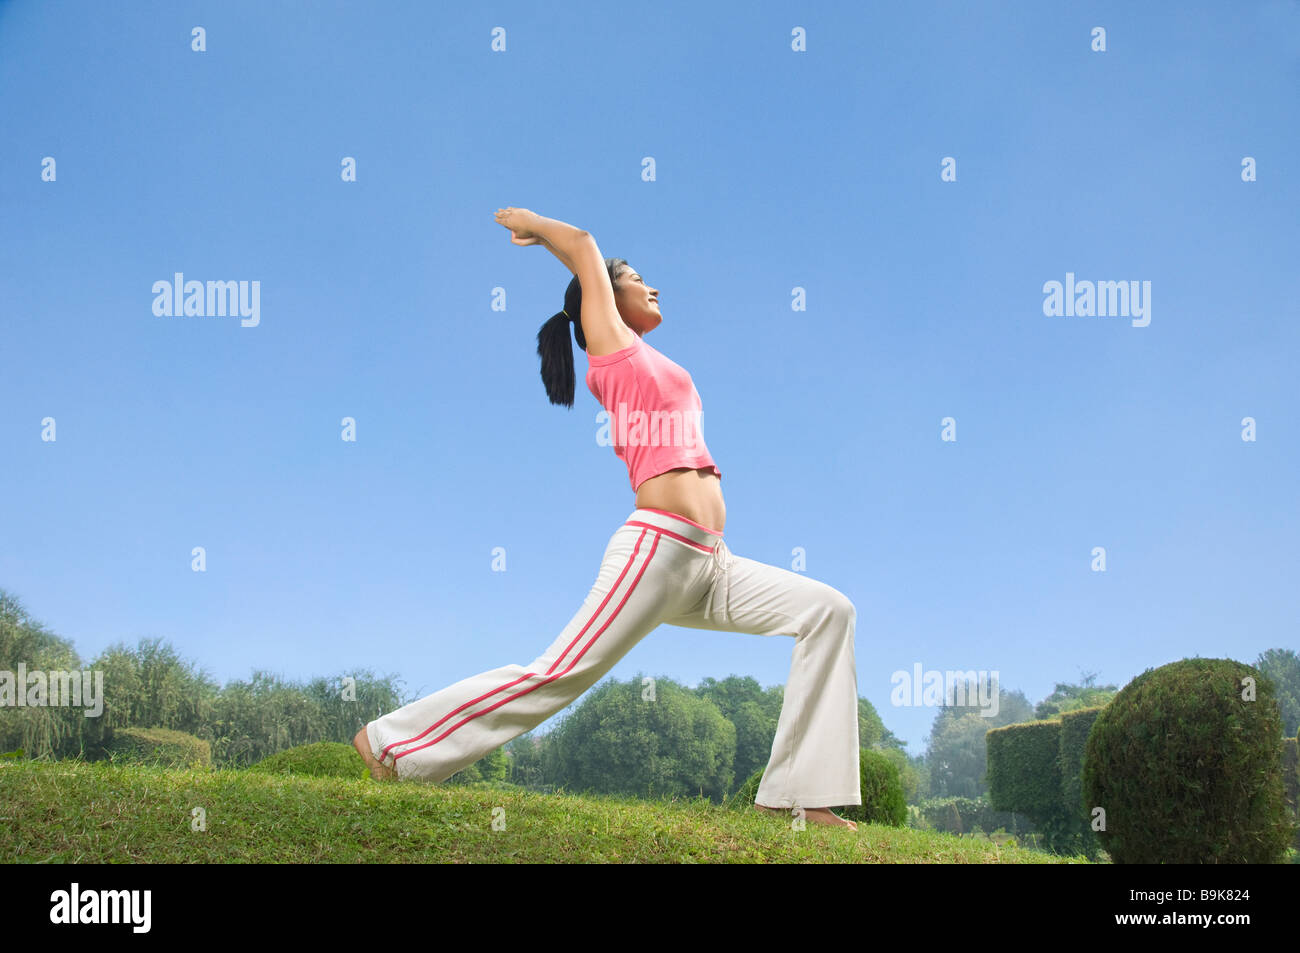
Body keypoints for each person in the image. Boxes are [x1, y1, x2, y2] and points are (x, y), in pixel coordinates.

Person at [353, 207, 861, 830]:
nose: (653, 286)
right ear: (604, 298)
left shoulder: (646, 355)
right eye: (636, 277)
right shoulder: (611, 350)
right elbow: (585, 246)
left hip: (711, 561)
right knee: (560, 673)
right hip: (658, 550)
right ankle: (393, 746)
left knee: (828, 611)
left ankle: (796, 799)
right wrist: (534, 226)